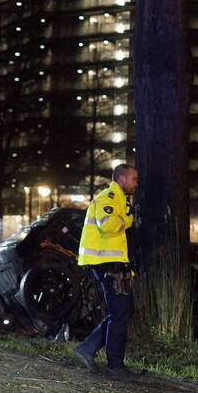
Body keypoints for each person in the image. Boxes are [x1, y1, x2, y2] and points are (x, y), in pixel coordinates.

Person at [73, 163, 143, 380]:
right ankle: (115, 366)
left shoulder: (121, 199)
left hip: (112, 263)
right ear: (122, 179)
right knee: (120, 313)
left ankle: (88, 349)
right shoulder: (109, 197)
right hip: (106, 264)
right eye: (134, 179)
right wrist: (129, 220)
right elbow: (109, 225)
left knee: (122, 312)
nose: (136, 183)